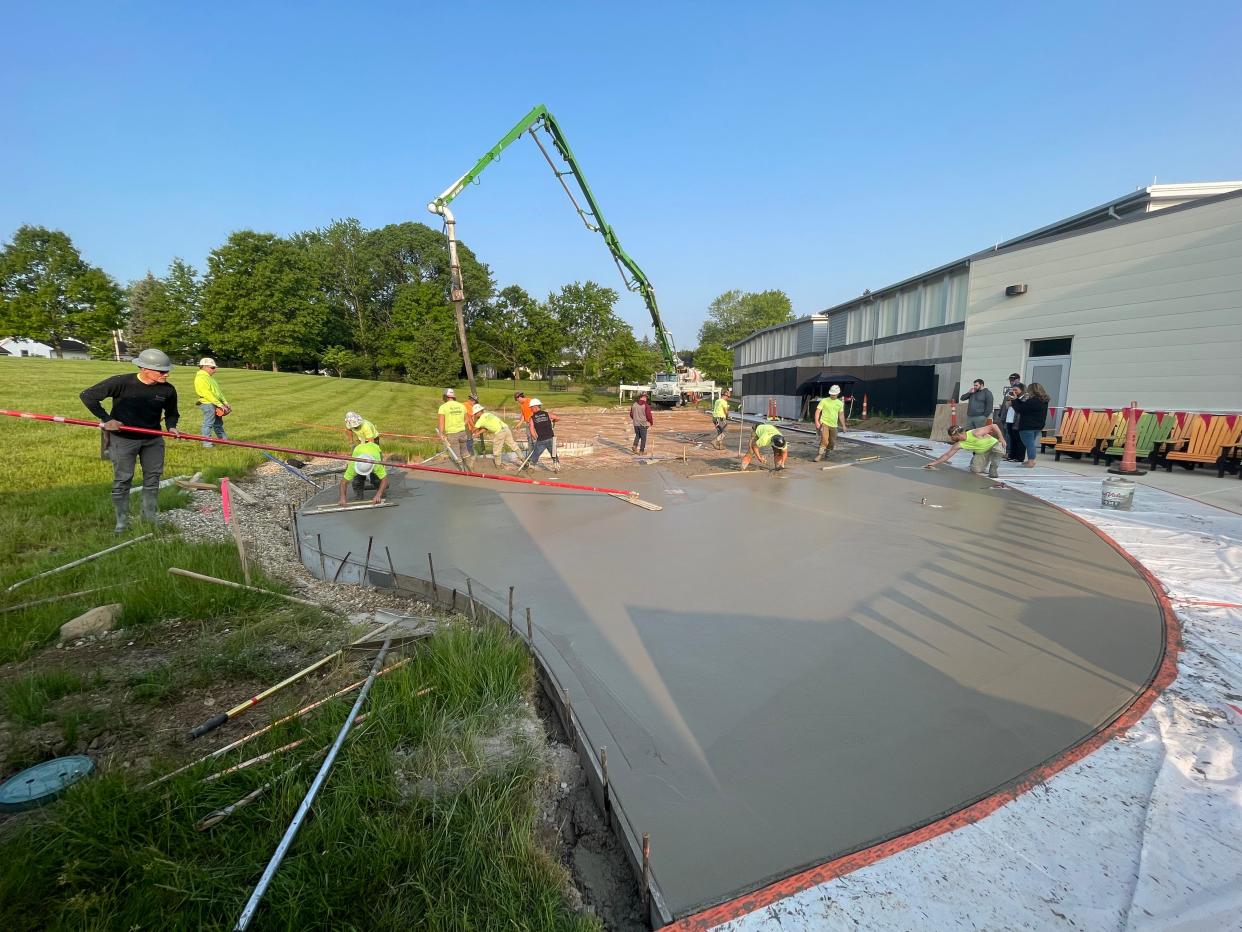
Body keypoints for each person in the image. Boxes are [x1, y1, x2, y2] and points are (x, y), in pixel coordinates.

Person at [80, 348, 181, 532]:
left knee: (153, 477)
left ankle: (149, 517)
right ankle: (122, 522)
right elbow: (88, 396)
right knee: (123, 479)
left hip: (153, 439)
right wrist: (107, 419)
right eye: (162, 371)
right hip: (123, 439)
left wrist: (171, 426)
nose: (166, 374)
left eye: (167, 370)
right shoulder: (121, 382)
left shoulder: (168, 390)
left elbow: (172, 413)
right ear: (144, 369)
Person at [923, 423, 1007, 478]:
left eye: (952, 437)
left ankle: (993, 468)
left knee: (999, 449)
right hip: (982, 453)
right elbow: (947, 455)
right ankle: (976, 463)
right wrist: (933, 463)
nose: (951, 439)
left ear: (957, 434)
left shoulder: (975, 433)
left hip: (994, 446)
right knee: (976, 470)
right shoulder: (959, 444)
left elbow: (994, 426)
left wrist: (1001, 438)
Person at [1010, 382, 1051, 468]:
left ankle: (1031, 461)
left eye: (1029, 390)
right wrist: (1017, 399)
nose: (1028, 391)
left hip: (1028, 425)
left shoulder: (1033, 401)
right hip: (1038, 425)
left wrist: (1014, 400)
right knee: (1030, 443)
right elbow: (1024, 406)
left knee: (1029, 443)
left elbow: (1019, 409)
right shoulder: (1043, 401)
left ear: (1033, 390)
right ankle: (1030, 460)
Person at [471, 403, 521, 469]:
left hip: (499, 432)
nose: (475, 415)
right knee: (513, 445)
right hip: (506, 429)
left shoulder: (480, 420)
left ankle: (498, 466)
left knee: (496, 450)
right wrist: (478, 433)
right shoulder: (488, 414)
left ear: (478, 412)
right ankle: (523, 460)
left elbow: (474, 428)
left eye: (475, 414)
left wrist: (470, 433)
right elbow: (486, 428)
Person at [337, 441, 388, 505]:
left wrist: (378, 494)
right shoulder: (353, 466)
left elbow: (385, 479)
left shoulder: (376, 464)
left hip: (374, 448)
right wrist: (342, 498)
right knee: (357, 481)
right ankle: (359, 495)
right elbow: (343, 482)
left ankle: (380, 491)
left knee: (376, 479)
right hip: (358, 449)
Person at [194, 358, 230, 447]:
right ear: (204, 367)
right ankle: (207, 444)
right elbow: (207, 394)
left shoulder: (210, 378)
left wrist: (224, 402)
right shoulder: (200, 378)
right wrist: (220, 404)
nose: (215, 370)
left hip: (215, 403)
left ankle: (224, 441)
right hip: (207, 403)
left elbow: (218, 392)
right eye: (213, 368)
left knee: (218, 424)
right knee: (208, 424)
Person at [437, 388, 471, 470]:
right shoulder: (461, 406)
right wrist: (462, 424)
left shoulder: (443, 407)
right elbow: (467, 419)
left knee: (456, 455)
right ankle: (470, 468)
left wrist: (441, 434)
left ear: (445, 396)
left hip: (452, 434)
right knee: (465, 452)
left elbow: (441, 423)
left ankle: (461, 472)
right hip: (462, 433)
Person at [521, 398, 560, 472]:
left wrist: (535, 438)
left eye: (531, 408)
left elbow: (532, 429)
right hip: (551, 437)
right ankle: (556, 466)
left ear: (535, 407)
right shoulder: (547, 414)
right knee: (553, 453)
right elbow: (558, 418)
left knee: (536, 454)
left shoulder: (532, 418)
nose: (531, 409)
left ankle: (531, 466)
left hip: (541, 440)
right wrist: (554, 421)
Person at [813, 384, 847, 461]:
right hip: (824, 423)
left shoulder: (840, 403)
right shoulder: (824, 401)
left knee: (832, 441)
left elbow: (841, 415)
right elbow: (818, 411)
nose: (832, 395)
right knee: (824, 439)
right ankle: (820, 455)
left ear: (838, 394)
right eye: (831, 394)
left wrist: (844, 426)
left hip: (834, 425)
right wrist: (817, 422)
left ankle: (827, 453)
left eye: (834, 394)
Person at [996, 382, 1025, 462]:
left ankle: (1019, 457)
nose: (1014, 392)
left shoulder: (1024, 397)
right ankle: (1011, 455)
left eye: (1016, 390)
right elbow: (1007, 406)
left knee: (1018, 439)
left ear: (1021, 390)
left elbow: (1019, 408)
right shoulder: (1011, 396)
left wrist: (1015, 399)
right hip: (1009, 419)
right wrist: (1008, 399)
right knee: (1011, 438)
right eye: (1013, 390)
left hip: (1017, 421)